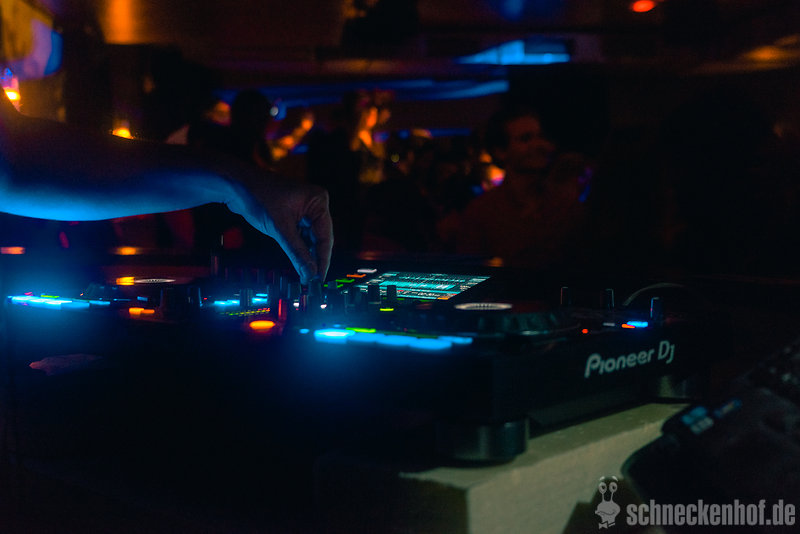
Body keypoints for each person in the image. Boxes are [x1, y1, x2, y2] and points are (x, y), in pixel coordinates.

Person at [0, 92, 332, 284]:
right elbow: (14, 161)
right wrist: (237, 183)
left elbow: (15, 163)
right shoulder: (211, 136)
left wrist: (238, 183)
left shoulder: (231, 142)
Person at [439, 102, 591, 270]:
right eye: (526, 139)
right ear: (500, 151)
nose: (540, 145)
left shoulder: (565, 205)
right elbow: (472, 272)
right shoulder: (482, 212)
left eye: (540, 136)